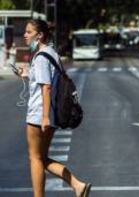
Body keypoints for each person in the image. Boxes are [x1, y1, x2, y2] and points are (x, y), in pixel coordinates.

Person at [18, 19, 91, 197]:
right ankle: (77, 185)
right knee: (42, 158)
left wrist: (44, 117)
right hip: (51, 112)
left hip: (39, 113)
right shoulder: (52, 53)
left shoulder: (41, 56)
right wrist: (27, 74)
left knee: (34, 158)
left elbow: (47, 87)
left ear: (40, 35)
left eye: (28, 32)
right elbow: (46, 80)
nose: (25, 35)